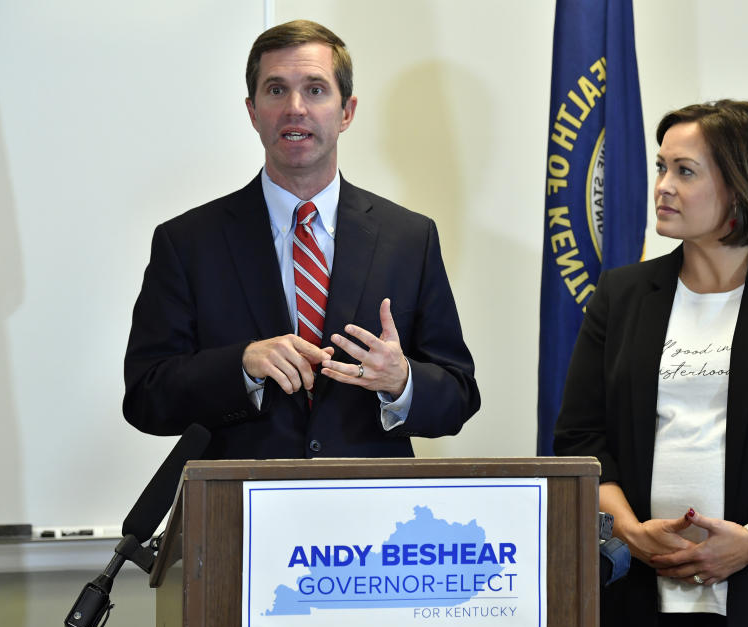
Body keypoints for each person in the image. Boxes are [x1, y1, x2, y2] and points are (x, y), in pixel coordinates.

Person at [553, 100, 748, 627]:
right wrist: (630, 533)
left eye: (685, 171)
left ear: (741, 186)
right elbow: (581, 436)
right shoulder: (621, 295)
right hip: (635, 590)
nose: (663, 186)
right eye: (661, 167)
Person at [123, 20, 480, 460]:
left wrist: (401, 380)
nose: (295, 108)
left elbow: (460, 395)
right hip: (237, 514)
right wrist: (241, 366)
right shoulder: (187, 243)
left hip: (370, 513)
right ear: (253, 112)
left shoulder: (409, 238)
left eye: (315, 89)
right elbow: (145, 396)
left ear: (346, 112)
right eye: (276, 90)